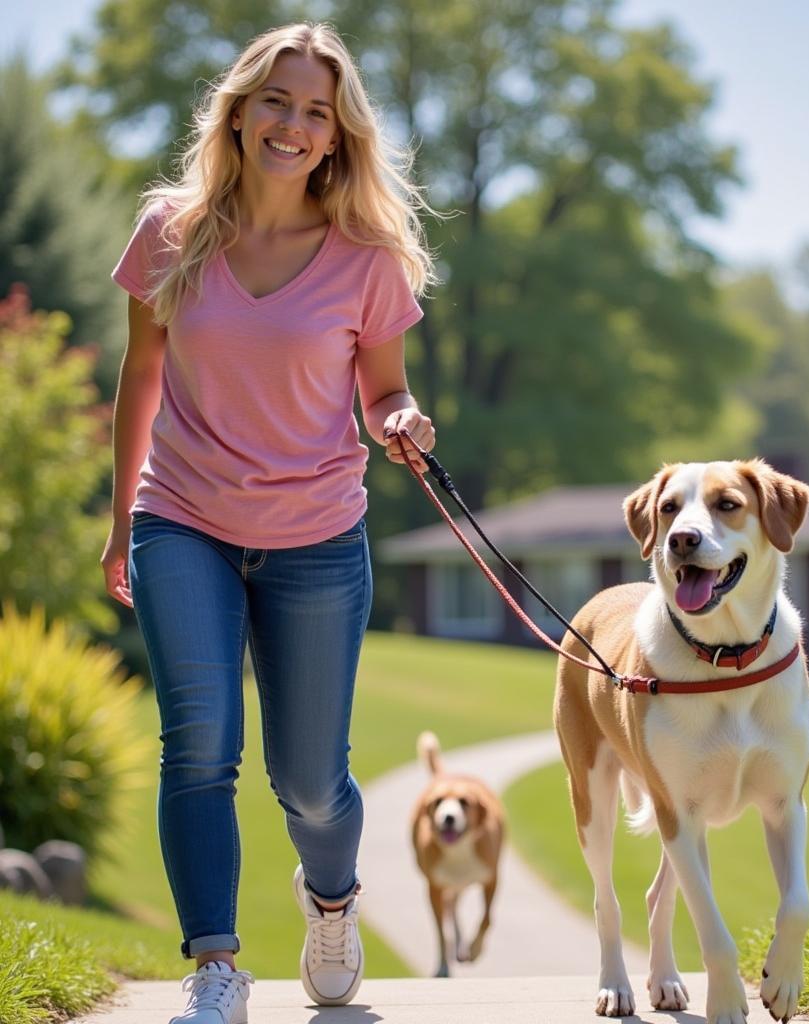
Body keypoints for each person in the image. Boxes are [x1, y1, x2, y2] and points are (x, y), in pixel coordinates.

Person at [100, 22, 436, 1024]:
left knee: (310, 783)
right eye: (276, 101)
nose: (292, 124)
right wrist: (123, 519)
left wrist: (402, 421)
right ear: (239, 110)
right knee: (198, 745)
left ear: (337, 137)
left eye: (315, 112)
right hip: (183, 520)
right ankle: (214, 968)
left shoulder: (366, 260)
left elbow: (384, 396)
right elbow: (141, 373)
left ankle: (331, 899)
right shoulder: (169, 228)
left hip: (316, 539)